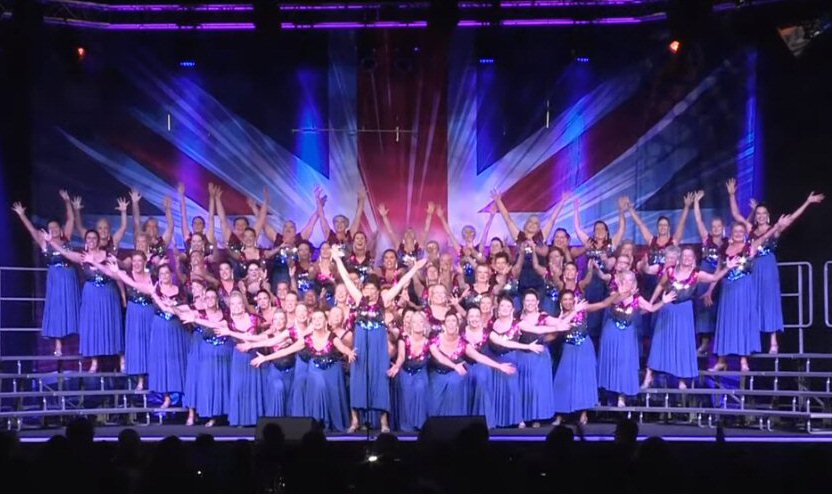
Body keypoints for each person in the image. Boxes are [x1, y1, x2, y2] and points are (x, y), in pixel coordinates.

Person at [332, 245, 426, 433]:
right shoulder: (358, 299)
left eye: (372, 288)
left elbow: (400, 284)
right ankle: (355, 421)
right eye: (366, 287)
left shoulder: (384, 301)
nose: (369, 291)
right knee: (359, 380)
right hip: (361, 346)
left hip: (378, 347)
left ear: (377, 290)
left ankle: (383, 422)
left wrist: (414, 269)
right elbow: (344, 277)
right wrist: (336, 258)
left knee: (379, 380)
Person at [12, 192, 79, 356]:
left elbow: (71, 219)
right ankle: (58, 345)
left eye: (56, 227)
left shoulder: (66, 238)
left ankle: (76, 335)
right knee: (56, 308)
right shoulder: (44, 241)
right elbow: (30, 229)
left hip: (69, 276)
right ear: (47, 230)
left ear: (60, 228)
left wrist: (67, 201)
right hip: (55, 278)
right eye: (51, 228)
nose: (54, 230)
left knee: (71, 305)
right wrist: (22, 215)